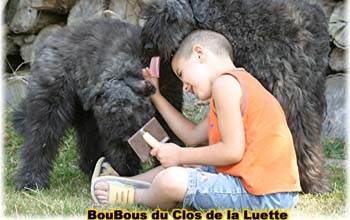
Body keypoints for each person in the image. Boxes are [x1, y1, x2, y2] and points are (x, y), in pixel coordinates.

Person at [92, 30, 301, 210]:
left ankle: (135, 196)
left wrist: (180, 154)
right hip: (268, 190)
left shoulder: (225, 85)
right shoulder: (237, 83)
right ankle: (125, 183)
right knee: (187, 163)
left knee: (171, 179)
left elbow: (232, 151)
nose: (185, 87)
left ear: (199, 54)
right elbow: (192, 135)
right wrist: (156, 95)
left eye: (182, 74)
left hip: (263, 195)